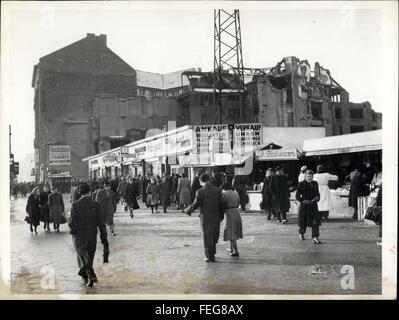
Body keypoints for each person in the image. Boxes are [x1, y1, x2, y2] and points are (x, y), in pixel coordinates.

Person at [69, 183, 108, 287]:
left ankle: (88, 274)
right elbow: (101, 223)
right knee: (89, 256)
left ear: (79, 193)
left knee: (82, 255)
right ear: (90, 192)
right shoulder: (96, 205)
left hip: (79, 235)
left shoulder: (75, 205)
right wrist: (104, 237)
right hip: (92, 234)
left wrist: (72, 231)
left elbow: (72, 223)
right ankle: (88, 273)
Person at [184, 173, 224, 262]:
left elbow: (195, 204)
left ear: (201, 181)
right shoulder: (218, 190)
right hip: (216, 216)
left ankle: (209, 256)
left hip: (205, 217)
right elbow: (221, 205)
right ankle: (212, 254)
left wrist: (188, 211)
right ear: (209, 180)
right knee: (214, 235)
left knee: (206, 236)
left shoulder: (200, 191)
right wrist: (221, 216)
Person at [296, 170, 322, 244]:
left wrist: (317, 198)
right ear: (305, 176)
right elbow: (297, 196)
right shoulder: (301, 184)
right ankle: (301, 233)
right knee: (303, 221)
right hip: (304, 206)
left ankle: (315, 237)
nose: (309, 178)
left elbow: (318, 193)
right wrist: (304, 201)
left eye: (310, 176)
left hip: (313, 205)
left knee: (315, 221)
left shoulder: (315, 183)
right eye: (308, 176)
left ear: (313, 176)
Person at [221, 182, 243, 257]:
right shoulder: (236, 193)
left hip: (229, 213)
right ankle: (232, 249)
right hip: (236, 212)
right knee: (233, 231)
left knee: (231, 232)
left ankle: (236, 251)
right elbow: (239, 202)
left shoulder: (224, 194)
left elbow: (221, 203)